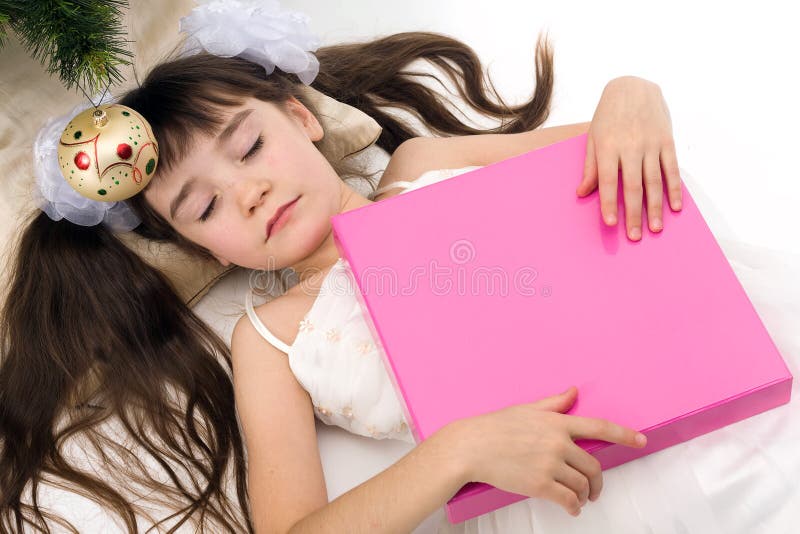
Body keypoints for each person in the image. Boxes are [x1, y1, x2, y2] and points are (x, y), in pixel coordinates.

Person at [1, 10, 694, 533]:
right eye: (206, 206)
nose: (249, 193)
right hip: (570, 502)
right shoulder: (271, 340)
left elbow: (606, 150)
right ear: (207, 250)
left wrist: (633, 92)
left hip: (680, 395)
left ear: (301, 118)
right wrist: (454, 454)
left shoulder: (423, 168)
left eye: (249, 148)